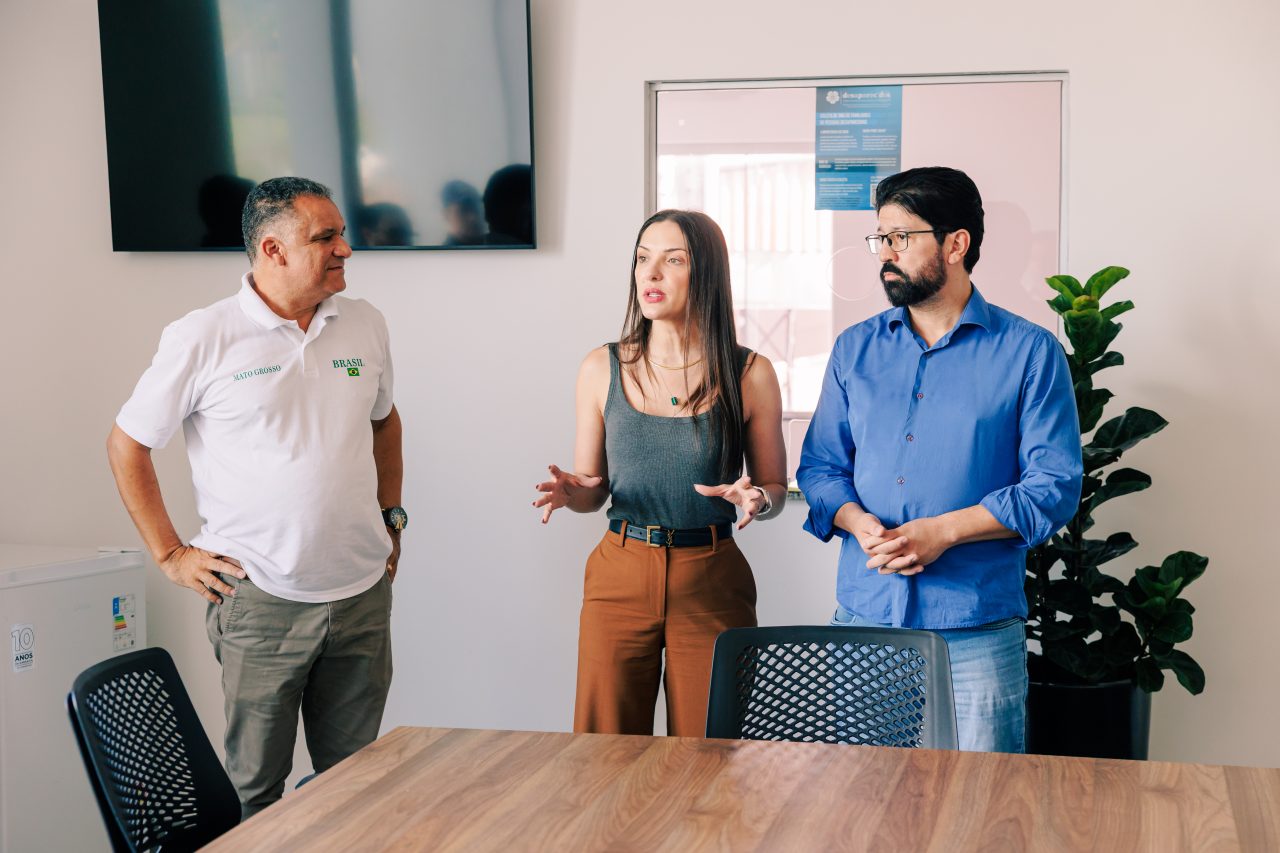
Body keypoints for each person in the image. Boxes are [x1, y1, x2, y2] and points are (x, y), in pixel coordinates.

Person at [106, 176, 406, 816]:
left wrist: (392, 517)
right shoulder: (202, 336)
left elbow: (385, 422)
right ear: (273, 249)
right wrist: (170, 554)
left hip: (361, 594)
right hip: (261, 600)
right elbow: (128, 444)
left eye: (342, 234)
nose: (345, 249)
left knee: (356, 789)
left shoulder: (365, 323)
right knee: (256, 793)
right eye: (325, 237)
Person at [796, 167, 1082, 752]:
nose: (885, 253)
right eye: (880, 238)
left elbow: (1052, 487)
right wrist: (858, 521)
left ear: (956, 244)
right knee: (861, 798)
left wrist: (944, 532)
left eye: (901, 237)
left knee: (980, 801)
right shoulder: (855, 349)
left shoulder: (1031, 352)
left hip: (976, 630)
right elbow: (821, 469)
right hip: (866, 619)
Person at [534, 209, 787, 736]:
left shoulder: (751, 373)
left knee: (711, 754)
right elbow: (593, 491)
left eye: (673, 260)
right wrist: (571, 493)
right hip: (619, 574)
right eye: (642, 258)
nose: (651, 273)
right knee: (604, 748)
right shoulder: (600, 367)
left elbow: (774, 487)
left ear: (707, 273)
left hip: (712, 578)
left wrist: (758, 500)